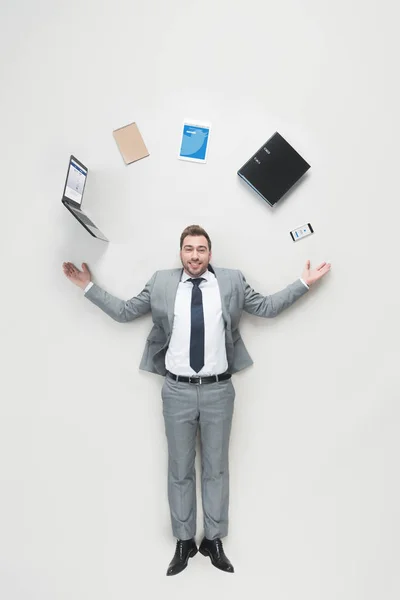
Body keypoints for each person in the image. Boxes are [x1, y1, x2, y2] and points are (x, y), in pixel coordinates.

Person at [62, 224, 331, 575]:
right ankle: (184, 541)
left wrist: (303, 283)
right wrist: (89, 287)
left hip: (219, 390)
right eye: (188, 249)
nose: (194, 256)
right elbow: (126, 311)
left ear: (210, 253)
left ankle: (214, 540)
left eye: (201, 249)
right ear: (180, 252)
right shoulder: (161, 282)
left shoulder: (231, 281)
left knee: (217, 469)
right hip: (177, 391)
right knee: (180, 470)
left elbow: (265, 307)